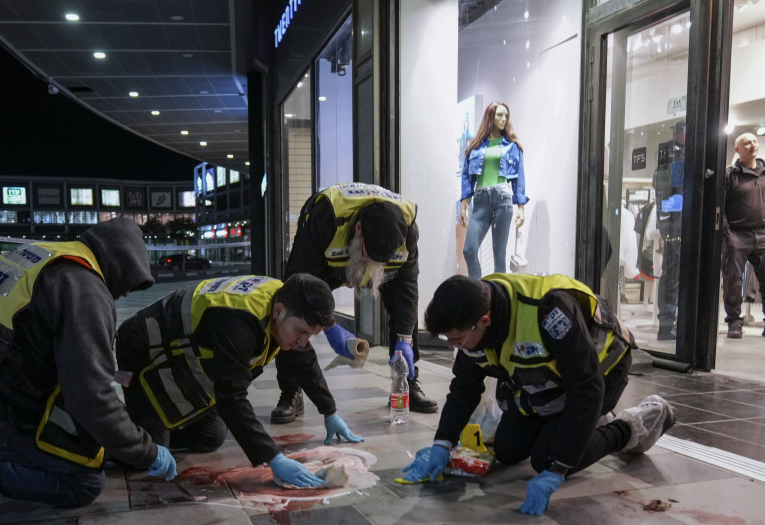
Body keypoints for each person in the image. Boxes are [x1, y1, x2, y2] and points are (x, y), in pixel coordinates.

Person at [0, 220, 176, 525]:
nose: (127, 291)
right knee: (83, 480)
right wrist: (145, 451)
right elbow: (91, 400)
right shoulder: (84, 288)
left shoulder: (45, 255)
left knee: (82, 437)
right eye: (131, 281)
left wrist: (106, 380)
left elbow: (23, 336)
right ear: (118, 263)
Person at [400, 274, 675, 517]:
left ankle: (628, 426)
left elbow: (586, 387)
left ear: (484, 321)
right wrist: (442, 443)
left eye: (457, 340)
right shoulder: (473, 316)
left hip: (601, 374)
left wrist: (558, 469)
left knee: (549, 460)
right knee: (507, 450)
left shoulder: (549, 312)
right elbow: (464, 388)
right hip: (546, 383)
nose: (454, 346)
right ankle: (575, 426)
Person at [117, 273, 362, 489]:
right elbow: (231, 398)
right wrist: (273, 458)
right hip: (143, 351)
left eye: (310, 335)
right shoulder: (239, 322)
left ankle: (155, 430)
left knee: (211, 436)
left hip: (176, 360)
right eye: (301, 332)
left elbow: (304, 360)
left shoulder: (286, 301)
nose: (302, 341)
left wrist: (329, 411)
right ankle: (107, 431)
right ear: (278, 311)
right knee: (144, 456)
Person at [270, 182, 438, 423]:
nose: (374, 264)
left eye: (382, 258)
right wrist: (330, 326)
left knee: (404, 317)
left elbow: (408, 290)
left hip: (382, 266)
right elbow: (297, 287)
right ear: (358, 228)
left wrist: (405, 340)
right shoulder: (325, 218)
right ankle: (290, 392)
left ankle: (407, 384)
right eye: (371, 255)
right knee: (293, 308)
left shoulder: (408, 231)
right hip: (328, 264)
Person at [721, 133, 765, 339]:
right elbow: (719, 207)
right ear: (737, 149)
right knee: (733, 281)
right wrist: (727, 234)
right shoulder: (730, 175)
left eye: (754, 141)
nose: (752, 145)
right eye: (746, 143)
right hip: (737, 235)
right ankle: (734, 323)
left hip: (764, 234)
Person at [459, 102, 529, 278]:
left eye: (506, 115)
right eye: (499, 115)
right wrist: (464, 203)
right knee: (469, 250)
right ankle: (478, 292)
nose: (503, 119)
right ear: (490, 116)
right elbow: (467, 176)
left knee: (499, 256)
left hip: (502, 201)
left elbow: (519, 178)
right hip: (481, 200)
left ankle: (498, 298)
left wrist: (521, 207)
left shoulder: (512, 146)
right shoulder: (476, 146)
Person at [651, 120, 686, 342]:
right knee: (672, 274)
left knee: (680, 274)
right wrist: (667, 225)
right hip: (676, 224)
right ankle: (666, 324)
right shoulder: (670, 155)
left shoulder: (687, 155)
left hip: (684, 223)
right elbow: (665, 194)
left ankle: (672, 322)